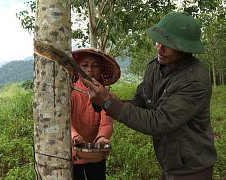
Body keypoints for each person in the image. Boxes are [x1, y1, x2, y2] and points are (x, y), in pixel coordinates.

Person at [81, 12, 217, 180]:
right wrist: (107, 101)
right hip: (170, 163)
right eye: (158, 40)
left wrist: (109, 103)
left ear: (185, 48)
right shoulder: (155, 66)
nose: (159, 47)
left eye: (168, 44)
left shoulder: (194, 81)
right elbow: (140, 101)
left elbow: (159, 122)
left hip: (191, 170)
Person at [71, 48, 120, 180]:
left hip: (96, 153)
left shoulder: (104, 95)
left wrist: (102, 138)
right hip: (72, 154)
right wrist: (74, 135)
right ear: (77, 69)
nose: (90, 70)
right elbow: (64, 120)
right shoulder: (70, 92)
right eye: (85, 65)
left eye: (95, 66)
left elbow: (107, 122)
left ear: (101, 70)